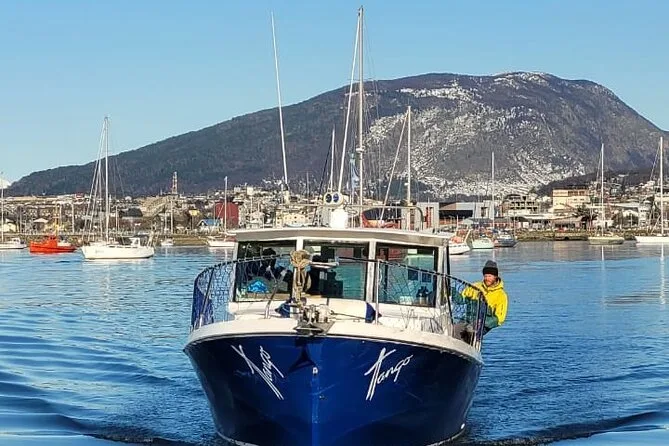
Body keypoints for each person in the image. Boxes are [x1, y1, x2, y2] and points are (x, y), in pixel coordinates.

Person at [455, 260, 508, 342]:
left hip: (483, 324)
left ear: (495, 276)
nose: (487, 278)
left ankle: (472, 344)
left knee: (470, 331)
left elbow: (500, 318)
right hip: (468, 319)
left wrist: (483, 322)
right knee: (454, 330)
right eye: (485, 276)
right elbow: (461, 299)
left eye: (490, 276)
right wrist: (453, 293)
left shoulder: (501, 295)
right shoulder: (475, 286)